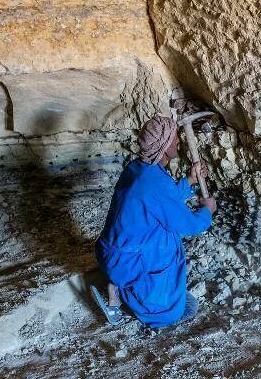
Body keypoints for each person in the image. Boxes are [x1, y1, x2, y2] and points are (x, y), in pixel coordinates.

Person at [92, 115, 216, 328]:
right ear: (164, 145)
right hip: (130, 262)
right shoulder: (155, 182)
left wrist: (189, 180)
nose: (178, 141)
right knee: (177, 312)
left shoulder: (137, 168)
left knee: (180, 296)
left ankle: (120, 284)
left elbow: (162, 201)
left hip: (114, 253)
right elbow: (189, 225)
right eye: (174, 138)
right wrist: (207, 210)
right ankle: (120, 293)